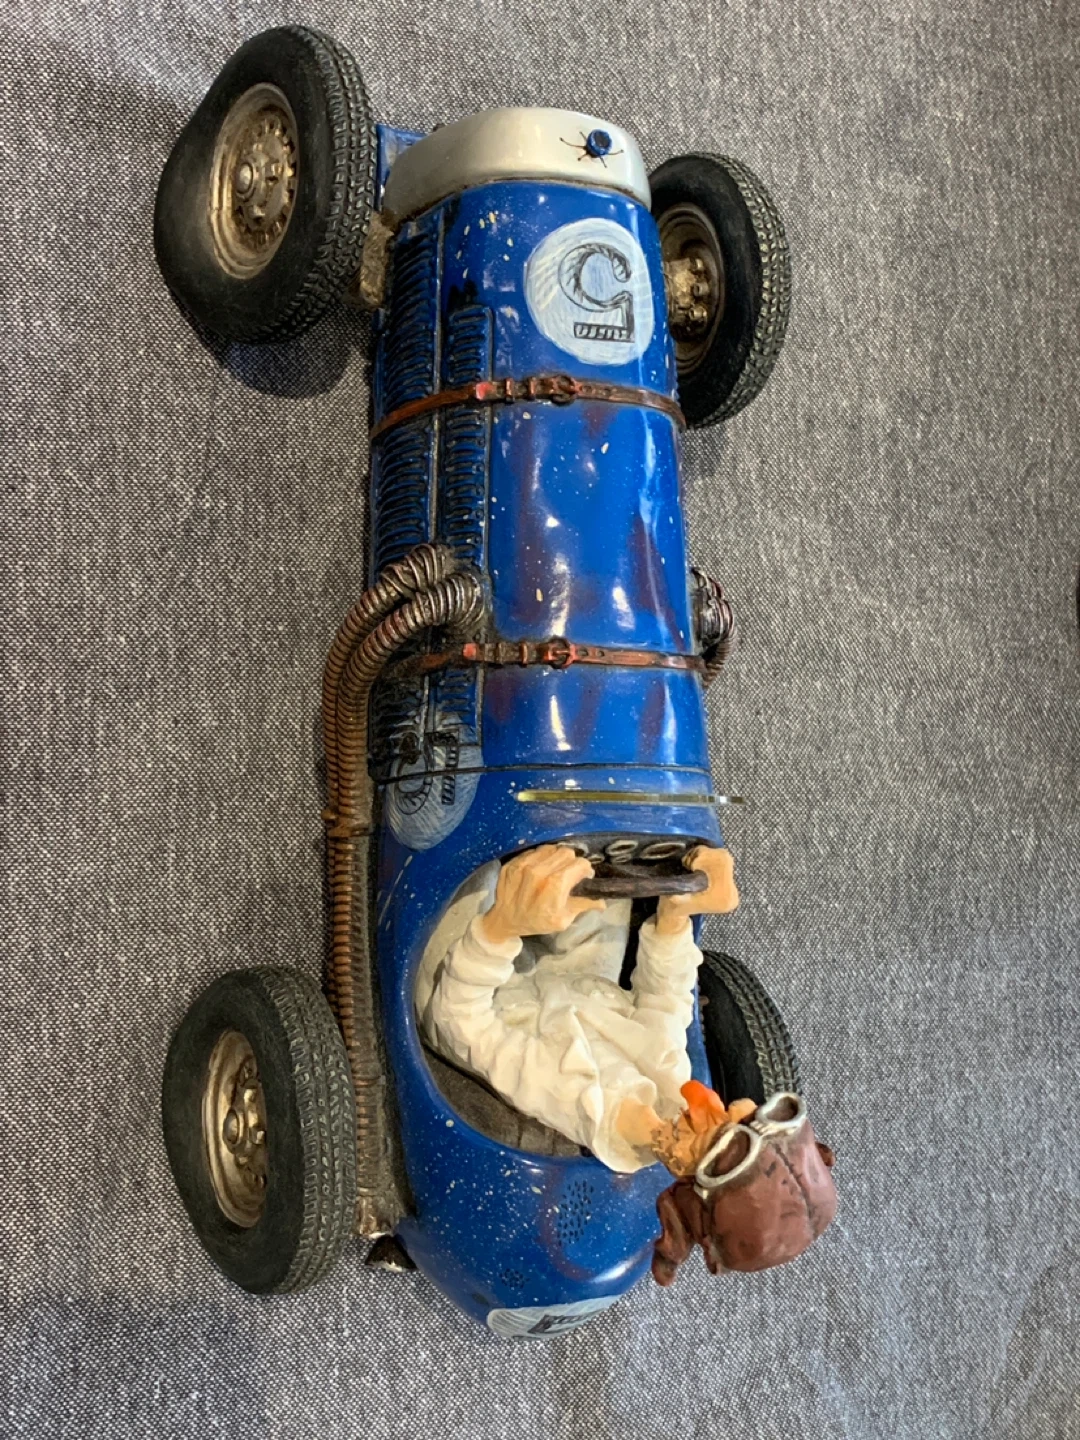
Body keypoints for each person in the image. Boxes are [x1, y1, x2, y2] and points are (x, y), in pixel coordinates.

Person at [417, 842, 739, 1172]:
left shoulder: (569, 1099)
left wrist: (500, 928)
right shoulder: (671, 1088)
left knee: (470, 868)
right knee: (604, 884)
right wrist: (676, 915)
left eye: (713, 1129)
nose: (714, 1105)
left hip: (477, 997)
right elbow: (665, 998)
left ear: (683, 1167)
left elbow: (462, 1021)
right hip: (575, 984)